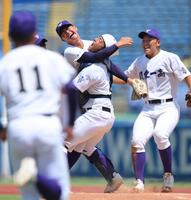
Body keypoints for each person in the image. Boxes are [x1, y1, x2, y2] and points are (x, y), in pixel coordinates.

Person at [0, 11, 76, 200]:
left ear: (10, 35)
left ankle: (33, 175)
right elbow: (71, 88)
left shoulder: (5, 63)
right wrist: (70, 123)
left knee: (30, 195)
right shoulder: (50, 58)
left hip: (17, 127)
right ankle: (35, 174)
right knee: (60, 191)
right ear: (34, 32)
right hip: (47, 124)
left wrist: (1, 126)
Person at [56, 20, 134, 193]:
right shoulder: (71, 51)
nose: (94, 40)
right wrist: (117, 45)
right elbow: (97, 57)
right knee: (82, 147)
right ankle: (113, 178)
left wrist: (129, 80)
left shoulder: (93, 65)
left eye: (68, 28)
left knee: (63, 142)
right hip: (100, 109)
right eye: (63, 33)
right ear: (63, 39)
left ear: (75, 27)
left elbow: (105, 62)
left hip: (92, 107)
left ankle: (57, 182)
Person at [115, 28, 191, 192]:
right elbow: (125, 77)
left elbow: (186, 75)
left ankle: (168, 175)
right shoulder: (139, 61)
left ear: (158, 42)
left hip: (168, 106)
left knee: (160, 135)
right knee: (136, 141)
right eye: (143, 40)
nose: (145, 43)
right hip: (148, 107)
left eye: (149, 40)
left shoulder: (170, 58)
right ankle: (139, 182)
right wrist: (105, 76)